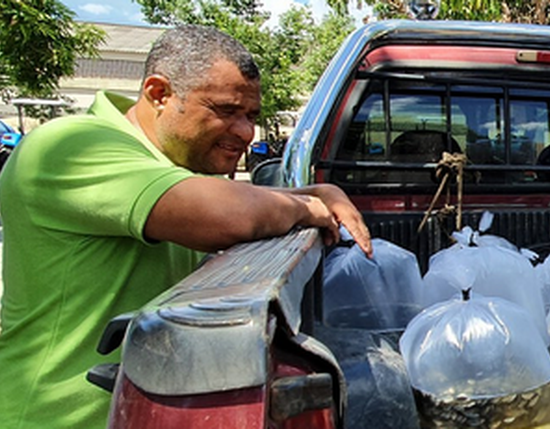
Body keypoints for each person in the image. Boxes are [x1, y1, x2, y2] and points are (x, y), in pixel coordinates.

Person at [0, 24, 372, 429]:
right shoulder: (71, 145)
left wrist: (318, 190)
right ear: (159, 94)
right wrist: (310, 206)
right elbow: (231, 214)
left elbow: (234, 202)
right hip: (58, 417)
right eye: (225, 111)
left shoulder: (171, 171)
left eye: (251, 116)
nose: (246, 132)